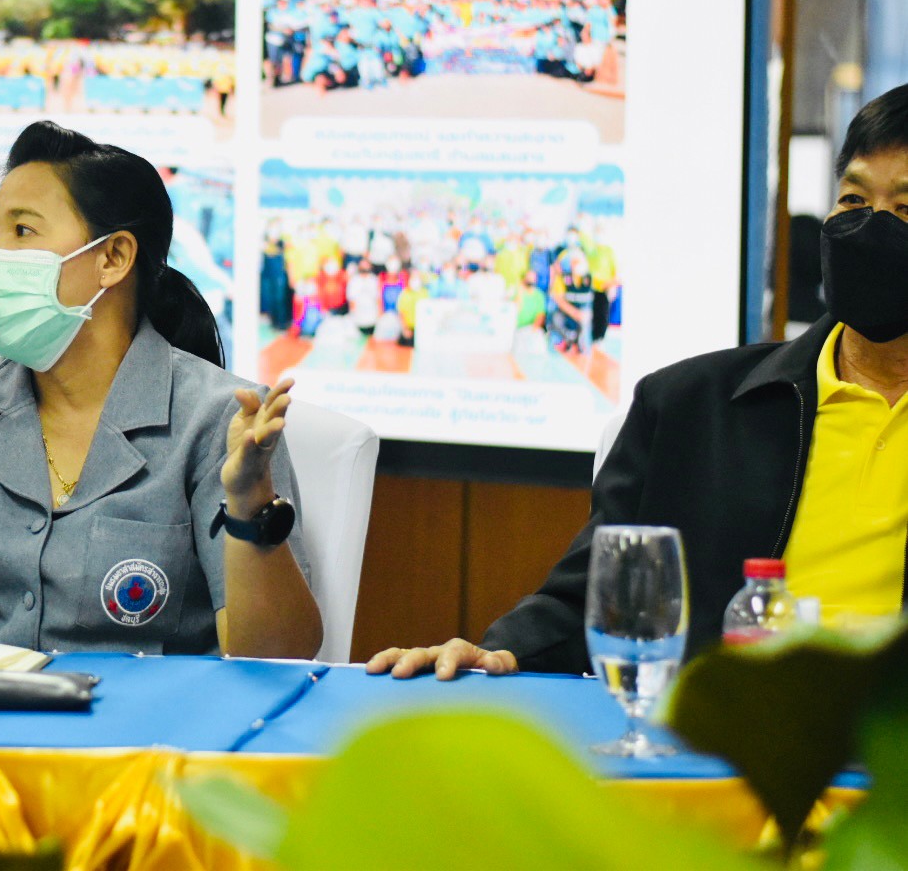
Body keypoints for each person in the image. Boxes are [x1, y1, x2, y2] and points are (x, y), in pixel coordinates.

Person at [369, 83, 908, 679]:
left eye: (906, 208)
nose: (872, 227)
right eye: (854, 200)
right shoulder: (692, 409)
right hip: (718, 723)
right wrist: (497, 653)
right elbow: (586, 604)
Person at [0, 121, 321, 658]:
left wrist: (249, 503)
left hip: (144, 712)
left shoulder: (219, 419)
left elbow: (278, 657)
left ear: (113, 258)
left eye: (23, 231)